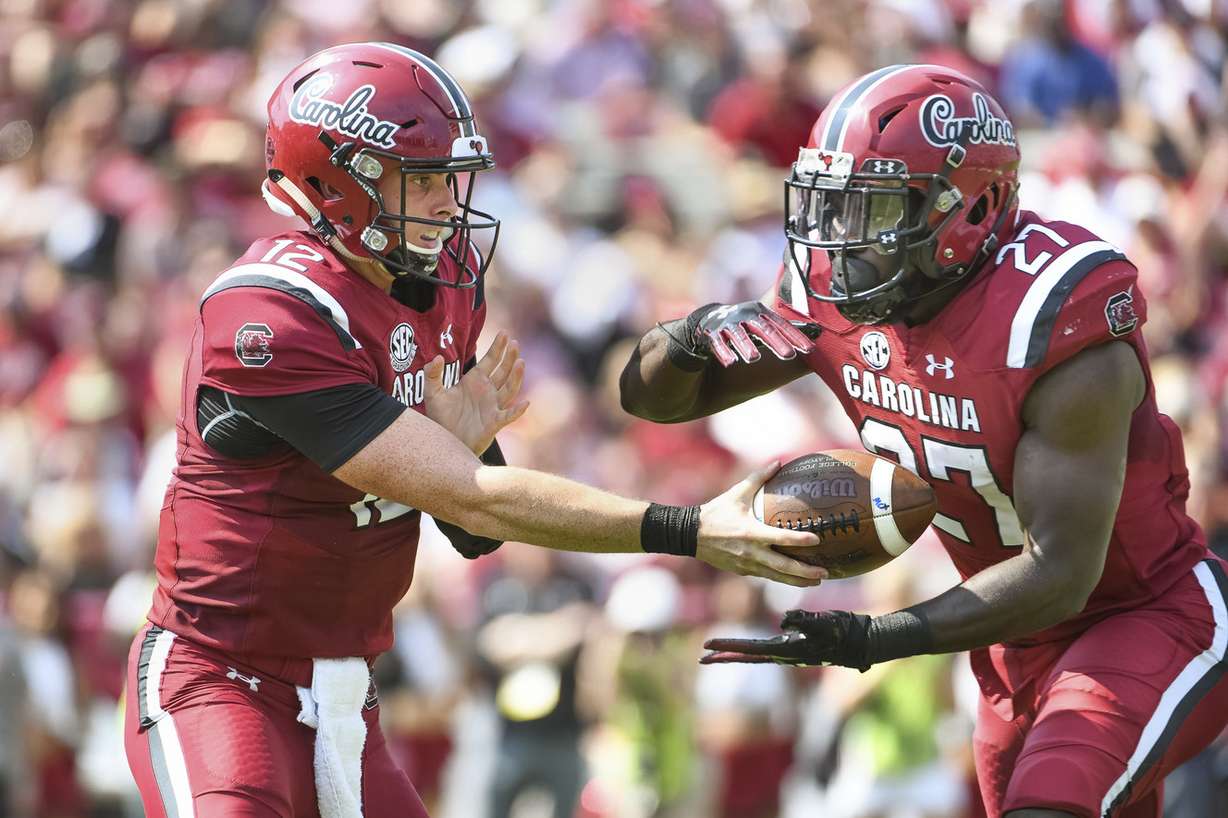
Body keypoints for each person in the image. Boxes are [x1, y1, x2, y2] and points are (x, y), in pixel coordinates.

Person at [121, 42, 827, 818]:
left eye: (452, 180)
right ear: (340, 178)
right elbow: (476, 497)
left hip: (345, 693)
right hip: (221, 680)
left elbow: (471, 534)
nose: (447, 204)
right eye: (423, 180)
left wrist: (447, 438)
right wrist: (686, 528)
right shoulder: (271, 314)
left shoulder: (437, 274)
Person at [619, 64, 1228, 818]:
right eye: (836, 207)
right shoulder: (834, 289)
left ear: (973, 206)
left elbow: (1062, 571)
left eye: (873, 210)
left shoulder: (1049, 312)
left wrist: (875, 637)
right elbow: (651, 402)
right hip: (1010, 644)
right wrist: (688, 336)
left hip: (1143, 613)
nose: (842, 239)